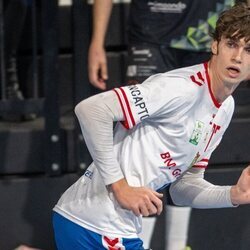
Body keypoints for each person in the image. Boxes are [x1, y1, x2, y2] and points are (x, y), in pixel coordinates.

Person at [53, 3, 250, 250]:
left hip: (102, 225)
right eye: (231, 44)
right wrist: (120, 185)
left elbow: (182, 190)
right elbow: (91, 109)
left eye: (248, 49)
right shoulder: (181, 88)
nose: (238, 57)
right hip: (95, 225)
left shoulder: (225, 108)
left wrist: (233, 195)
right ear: (215, 45)